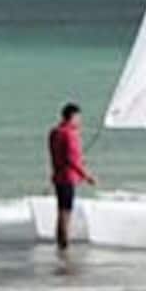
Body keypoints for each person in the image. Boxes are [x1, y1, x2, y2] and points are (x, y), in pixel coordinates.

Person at [47, 102, 95, 249]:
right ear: (72, 117)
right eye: (78, 118)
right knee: (66, 212)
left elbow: (55, 154)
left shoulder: (54, 132)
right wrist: (87, 176)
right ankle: (64, 244)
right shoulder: (70, 134)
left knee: (61, 210)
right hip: (68, 177)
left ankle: (60, 242)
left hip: (57, 176)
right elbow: (72, 159)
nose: (79, 121)